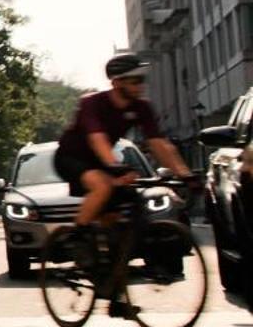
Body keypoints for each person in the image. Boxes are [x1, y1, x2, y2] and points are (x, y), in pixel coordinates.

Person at [55, 53, 194, 228]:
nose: (140, 86)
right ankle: (78, 235)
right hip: (71, 158)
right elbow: (97, 138)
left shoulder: (142, 107)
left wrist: (184, 174)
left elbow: (158, 143)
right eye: (134, 81)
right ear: (117, 82)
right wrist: (115, 166)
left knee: (119, 203)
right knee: (103, 186)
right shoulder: (91, 103)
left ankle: (108, 249)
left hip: (101, 161)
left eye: (142, 80)